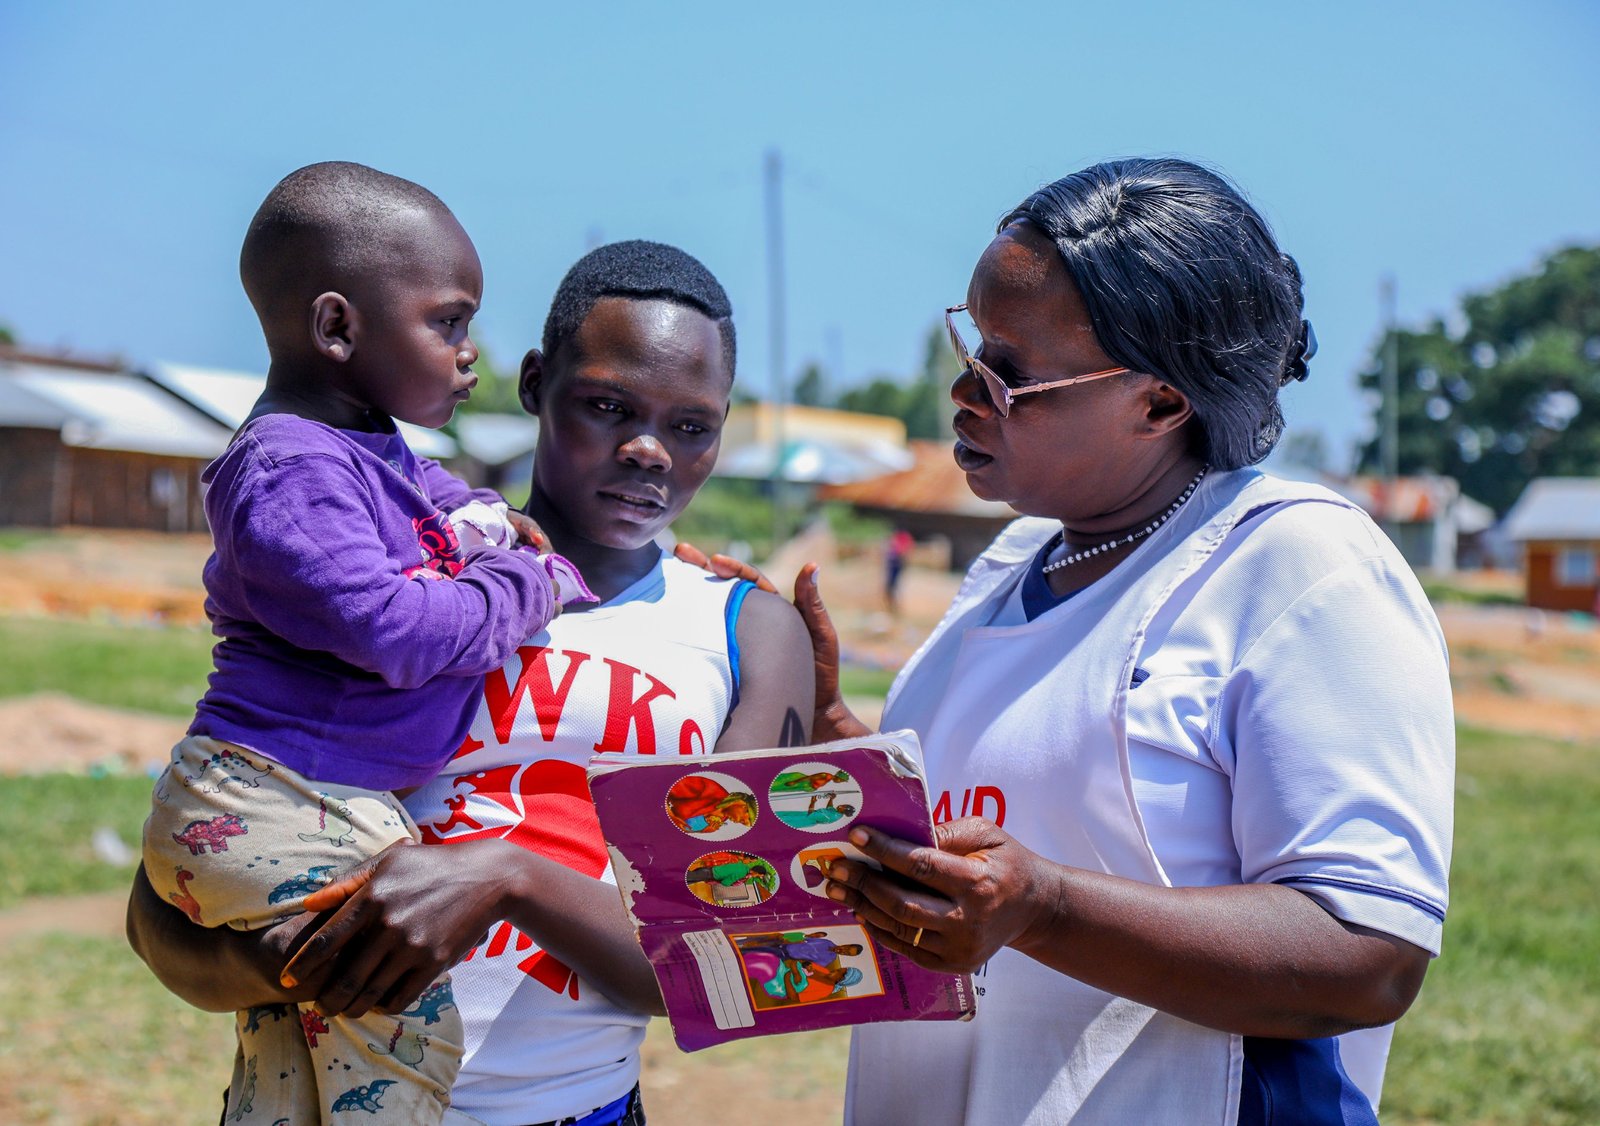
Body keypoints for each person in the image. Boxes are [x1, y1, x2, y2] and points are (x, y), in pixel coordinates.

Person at [733, 158, 1454, 1124]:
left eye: (1011, 372)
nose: (964, 389)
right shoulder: (1010, 565)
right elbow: (991, 833)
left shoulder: (1299, 565)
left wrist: (1046, 910)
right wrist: (840, 746)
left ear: (1159, 404)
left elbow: (1368, 956)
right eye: (972, 343)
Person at [127, 240, 815, 1126]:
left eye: (693, 427)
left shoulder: (747, 633)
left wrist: (506, 877)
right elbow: (161, 924)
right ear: (534, 383)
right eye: (608, 406)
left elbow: (718, 967)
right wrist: (310, 959)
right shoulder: (380, 584)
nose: (648, 450)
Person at [140, 162, 585, 1125]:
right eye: (451, 321)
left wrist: (487, 521)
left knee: (298, 1050)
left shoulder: (364, 449)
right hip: (278, 798)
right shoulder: (288, 469)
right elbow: (400, 633)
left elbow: (445, 504)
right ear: (339, 328)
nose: (472, 353)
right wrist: (528, 579)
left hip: (288, 796)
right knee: (402, 1024)